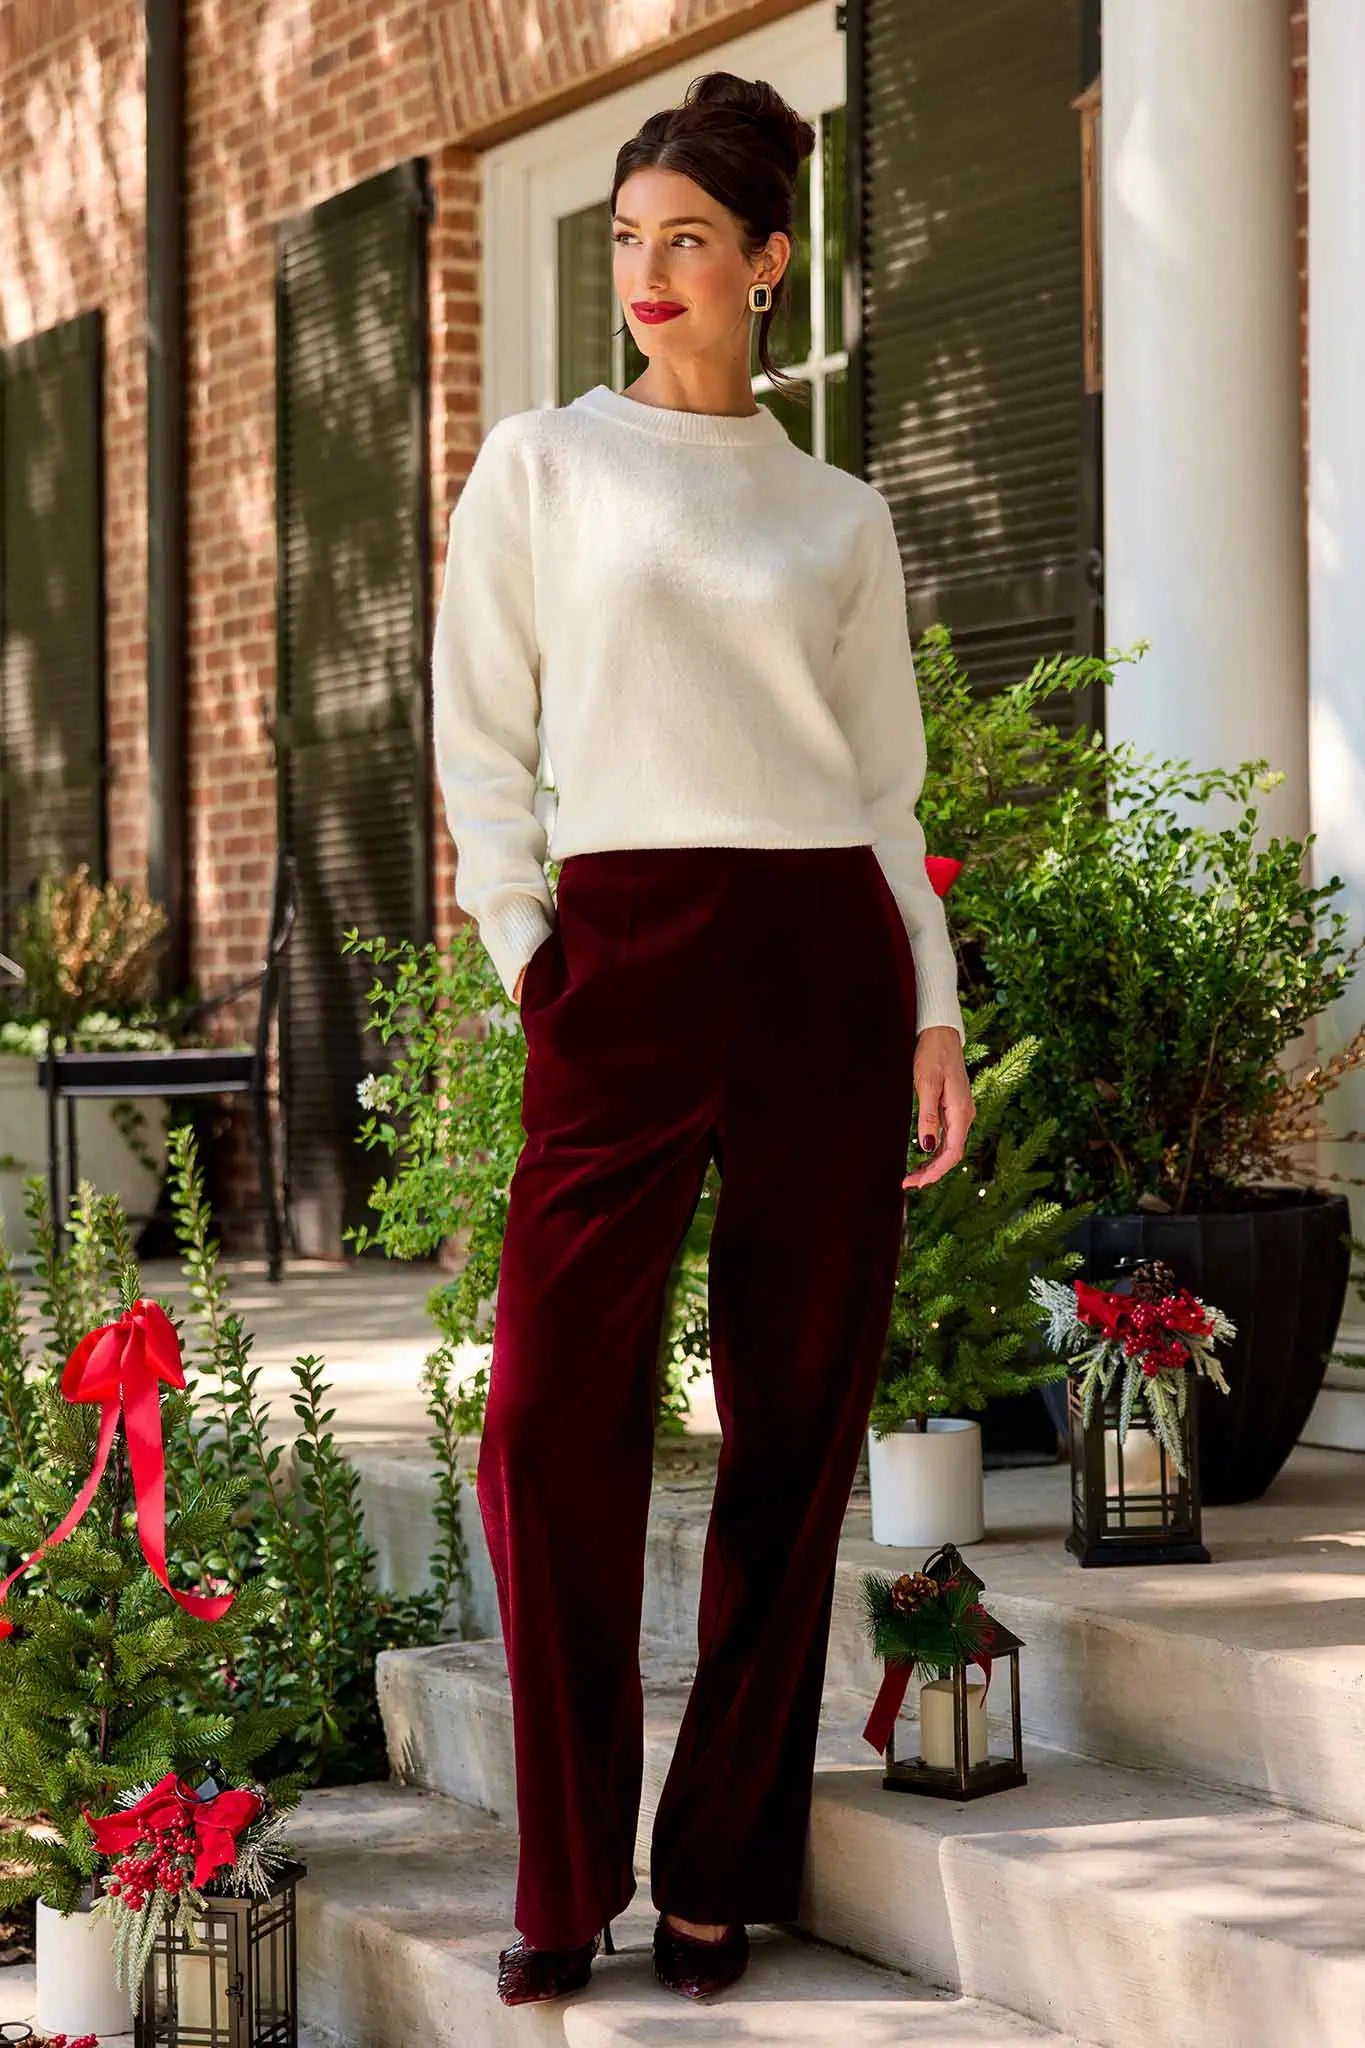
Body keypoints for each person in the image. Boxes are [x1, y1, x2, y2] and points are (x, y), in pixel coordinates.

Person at [431, 67, 976, 2008]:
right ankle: (564, 1871)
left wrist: (928, 1003)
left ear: (766, 262)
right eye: (625, 239)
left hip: (822, 958)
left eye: (686, 239)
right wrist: (531, 956)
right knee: (543, 1419)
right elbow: (480, 740)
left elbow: (883, 791)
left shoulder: (838, 513)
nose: (647, 271)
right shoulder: (541, 466)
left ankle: (717, 1860)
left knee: (795, 1422)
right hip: (625, 959)